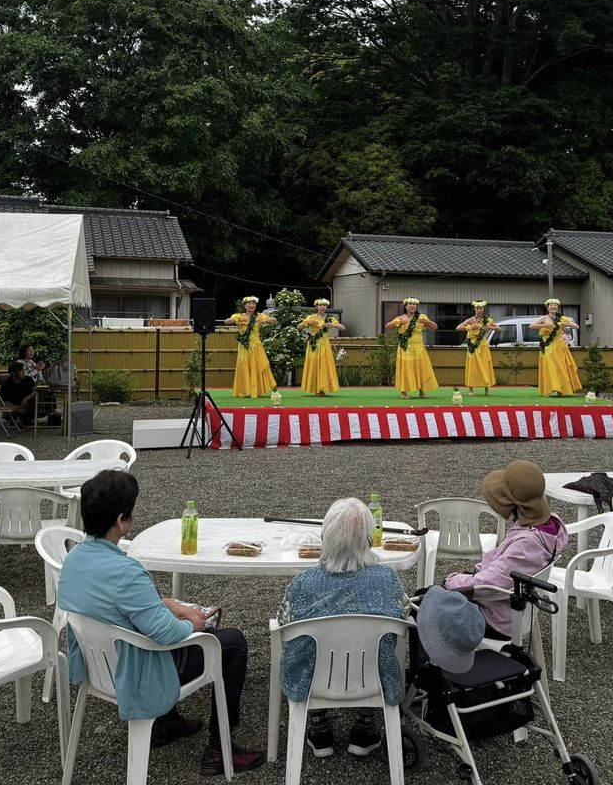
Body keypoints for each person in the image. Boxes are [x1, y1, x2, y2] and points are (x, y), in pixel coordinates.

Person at [57, 470, 265, 776]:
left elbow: (120, 603)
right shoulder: (127, 571)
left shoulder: (74, 559)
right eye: (133, 509)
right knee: (232, 642)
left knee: (186, 625)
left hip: (98, 665)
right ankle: (220, 750)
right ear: (121, 521)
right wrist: (196, 624)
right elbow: (166, 634)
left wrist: (171, 605)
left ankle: (166, 722)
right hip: (136, 671)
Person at [278, 498, 406, 758]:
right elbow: (402, 617)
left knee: (305, 645)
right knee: (377, 643)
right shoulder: (388, 579)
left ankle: (319, 727)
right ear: (369, 540)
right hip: (373, 677)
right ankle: (364, 728)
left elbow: (284, 624)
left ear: (325, 537)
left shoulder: (304, 583)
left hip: (314, 679)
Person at [445, 459, 568, 639]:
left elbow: (490, 584)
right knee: (432, 597)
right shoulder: (548, 528)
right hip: (512, 608)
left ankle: (435, 664)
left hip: (499, 619)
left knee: (427, 608)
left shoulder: (527, 544)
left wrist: (451, 582)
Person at [384, 298, 439, 399]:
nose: (412, 306)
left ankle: (422, 390)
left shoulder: (421, 317)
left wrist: (426, 321)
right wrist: (398, 321)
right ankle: (403, 392)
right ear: (405, 306)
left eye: (414, 304)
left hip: (418, 347)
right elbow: (387, 326)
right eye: (410, 304)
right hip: (405, 347)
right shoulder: (401, 318)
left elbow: (434, 327)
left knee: (421, 368)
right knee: (406, 369)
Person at [225, 296, 278, 398]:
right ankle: (245, 390)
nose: (251, 305)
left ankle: (256, 390)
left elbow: (274, 320)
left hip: (256, 345)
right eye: (249, 304)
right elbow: (227, 321)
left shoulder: (259, 316)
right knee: (244, 367)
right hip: (244, 346)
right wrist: (237, 319)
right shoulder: (239, 316)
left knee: (257, 367)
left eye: (253, 304)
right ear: (244, 306)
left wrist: (264, 321)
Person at [531, 299, 581, 397]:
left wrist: (567, 324)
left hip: (559, 347)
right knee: (549, 367)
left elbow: (576, 327)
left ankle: (561, 390)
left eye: (555, 305)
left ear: (558, 307)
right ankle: (548, 389)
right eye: (551, 305)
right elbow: (531, 326)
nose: (553, 306)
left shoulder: (562, 318)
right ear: (547, 307)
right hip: (548, 346)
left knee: (560, 367)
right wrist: (546, 325)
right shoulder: (544, 318)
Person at [296, 299, 345, 397]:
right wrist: (308, 323)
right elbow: (299, 327)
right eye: (320, 305)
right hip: (314, 345)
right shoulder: (311, 317)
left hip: (325, 345)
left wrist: (333, 325)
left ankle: (322, 388)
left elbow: (343, 328)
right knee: (314, 365)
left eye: (324, 305)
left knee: (324, 366)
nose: (322, 307)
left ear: (326, 307)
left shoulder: (329, 318)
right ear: (316, 307)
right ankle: (316, 388)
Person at [456, 301, 496, 396]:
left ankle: (486, 389)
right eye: (477, 308)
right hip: (472, 346)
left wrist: (490, 327)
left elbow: (499, 328)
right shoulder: (471, 320)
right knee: (472, 367)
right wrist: (470, 328)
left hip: (482, 346)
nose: (479, 310)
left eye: (481, 308)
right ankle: (471, 389)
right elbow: (458, 328)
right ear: (474, 309)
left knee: (485, 366)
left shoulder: (487, 320)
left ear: (483, 309)